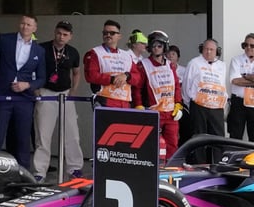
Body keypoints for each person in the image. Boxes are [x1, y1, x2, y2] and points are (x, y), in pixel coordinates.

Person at [0, 15, 45, 171]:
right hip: (3, 93)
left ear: (34, 28)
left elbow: (42, 78)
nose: (25, 27)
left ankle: (23, 173)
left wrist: (28, 85)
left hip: (24, 97)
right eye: (23, 23)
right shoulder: (5, 39)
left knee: (23, 137)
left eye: (29, 24)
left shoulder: (39, 50)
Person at [34, 20, 84, 181]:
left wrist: (73, 91)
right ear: (54, 32)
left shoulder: (73, 52)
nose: (61, 37)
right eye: (59, 33)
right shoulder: (42, 49)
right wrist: (36, 90)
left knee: (72, 134)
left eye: (65, 34)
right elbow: (32, 69)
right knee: (43, 134)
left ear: (70, 36)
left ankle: (75, 168)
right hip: (46, 93)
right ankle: (40, 171)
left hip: (66, 94)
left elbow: (76, 72)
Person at [132, 33, 183, 161]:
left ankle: (170, 169)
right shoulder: (142, 65)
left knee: (172, 144)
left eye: (159, 45)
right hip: (153, 112)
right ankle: (150, 168)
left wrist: (178, 103)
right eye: (153, 45)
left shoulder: (170, 65)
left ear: (164, 46)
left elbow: (176, 85)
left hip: (171, 113)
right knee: (150, 144)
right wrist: (138, 105)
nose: (156, 48)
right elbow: (137, 88)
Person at [183, 39, 227, 163]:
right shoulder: (194, 63)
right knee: (199, 136)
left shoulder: (222, 66)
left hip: (216, 107)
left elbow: (222, 85)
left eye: (211, 49)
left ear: (216, 51)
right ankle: (199, 164)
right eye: (206, 49)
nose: (208, 52)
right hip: (199, 106)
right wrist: (189, 102)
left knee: (218, 138)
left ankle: (219, 163)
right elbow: (186, 85)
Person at [83, 20, 138, 109]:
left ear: (119, 36)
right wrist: (112, 79)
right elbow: (90, 76)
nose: (108, 35)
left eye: (112, 33)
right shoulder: (94, 53)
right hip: (104, 100)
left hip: (125, 102)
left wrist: (127, 76)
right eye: (105, 33)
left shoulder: (127, 55)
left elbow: (138, 77)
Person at [228, 33, 254, 144]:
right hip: (238, 102)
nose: (248, 48)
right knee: (235, 136)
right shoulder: (236, 60)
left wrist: (246, 76)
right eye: (245, 45)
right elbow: (235, 80)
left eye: (252, 46)